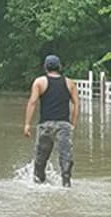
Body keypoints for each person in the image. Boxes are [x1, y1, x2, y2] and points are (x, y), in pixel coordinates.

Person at [23, 54, 79, 187]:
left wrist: (27, 124)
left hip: (45, 125)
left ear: (45, 67)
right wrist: (73, 124)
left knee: (41, 157)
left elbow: (32, 102)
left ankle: (39, 183)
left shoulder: (39, 82)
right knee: (66, 157)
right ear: (59, 67)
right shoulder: (69, 83)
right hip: (64, 125)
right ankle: (66, 183)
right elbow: (77, 104)